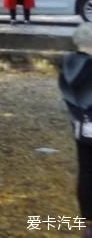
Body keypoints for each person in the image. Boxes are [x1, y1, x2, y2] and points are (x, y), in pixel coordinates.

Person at [60, 22, 92, 227]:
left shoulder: (68, 63)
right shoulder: (89, 66)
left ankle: (87, 219)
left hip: (80, 125)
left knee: (86, 171)